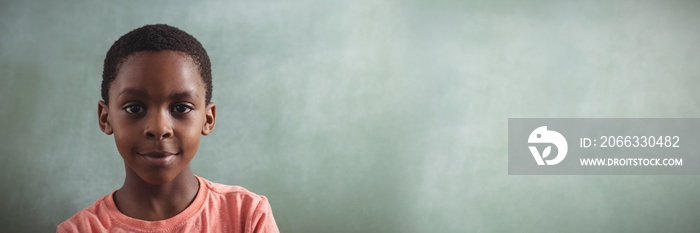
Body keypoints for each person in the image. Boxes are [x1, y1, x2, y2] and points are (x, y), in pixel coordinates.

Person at [57, 24, 280, 233]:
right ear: (105, 118)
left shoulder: (247, 216)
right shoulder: (80, 229)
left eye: (181, 108)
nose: (159, 128)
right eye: (135, 108)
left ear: (208, 118)